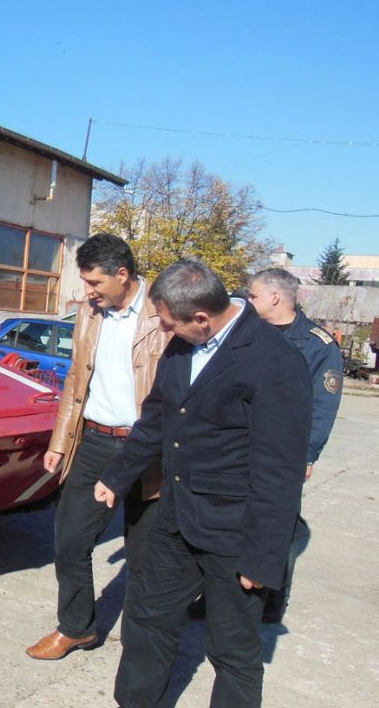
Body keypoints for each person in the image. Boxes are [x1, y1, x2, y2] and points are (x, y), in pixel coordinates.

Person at [94, 259, 311, 708]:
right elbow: (157, 418)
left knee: (232, 649)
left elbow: (279, 469)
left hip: (234, 532)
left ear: (201, 317)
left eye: (169, 322)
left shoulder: (274, 359)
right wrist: (117, 475)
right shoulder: (182, 345)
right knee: (148, 619)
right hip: (176, 517)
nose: (163, 330)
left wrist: (263, 558)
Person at [25, 234, 171, 660]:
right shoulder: (90, 314)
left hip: (148, 450)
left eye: (95, 282)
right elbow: (76, 378)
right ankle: (76, 628)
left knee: (144, 553)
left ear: (122, 274)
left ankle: (143, 639)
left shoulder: (163, 314)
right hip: (93, 440)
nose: (88, 291)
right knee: (71, 539)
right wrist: (59, 441)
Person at [247, 267, 343, 622]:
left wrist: (308, 454)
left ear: (274, 297)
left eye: (253, 295)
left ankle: (273, 599)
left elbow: (323, 406)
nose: (248, 301)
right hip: (242, 444)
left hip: (284, 452)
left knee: (279, 523)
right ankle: (219, 593)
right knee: (233, 520)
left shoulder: (317, 345)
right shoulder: (248, 332)